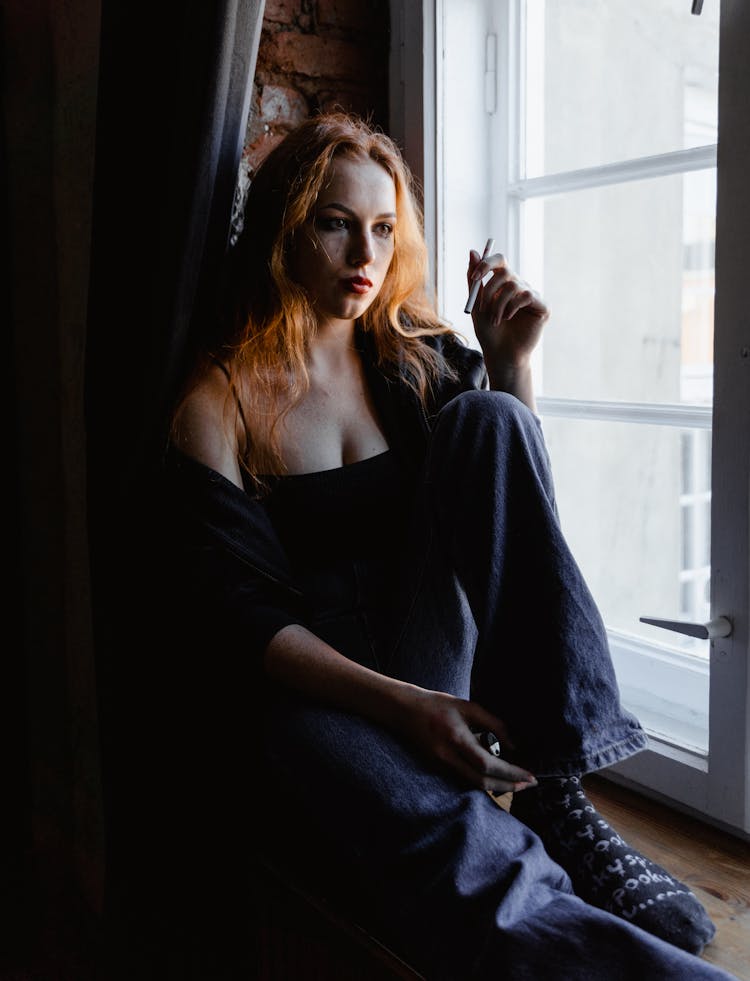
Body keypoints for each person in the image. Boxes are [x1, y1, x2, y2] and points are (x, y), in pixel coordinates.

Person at [164, 112, 737, 980]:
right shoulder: (220, 399)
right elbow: (246, 623)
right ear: (287, 225)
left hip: (433, 654)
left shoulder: (416, 360)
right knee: (467, 859)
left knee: (492, 416)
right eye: (336, 222)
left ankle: (555, 788)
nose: (367, 253)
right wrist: (409, 709)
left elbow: (512, 516)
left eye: (385, 229)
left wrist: (512, 365)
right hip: (319, 697)